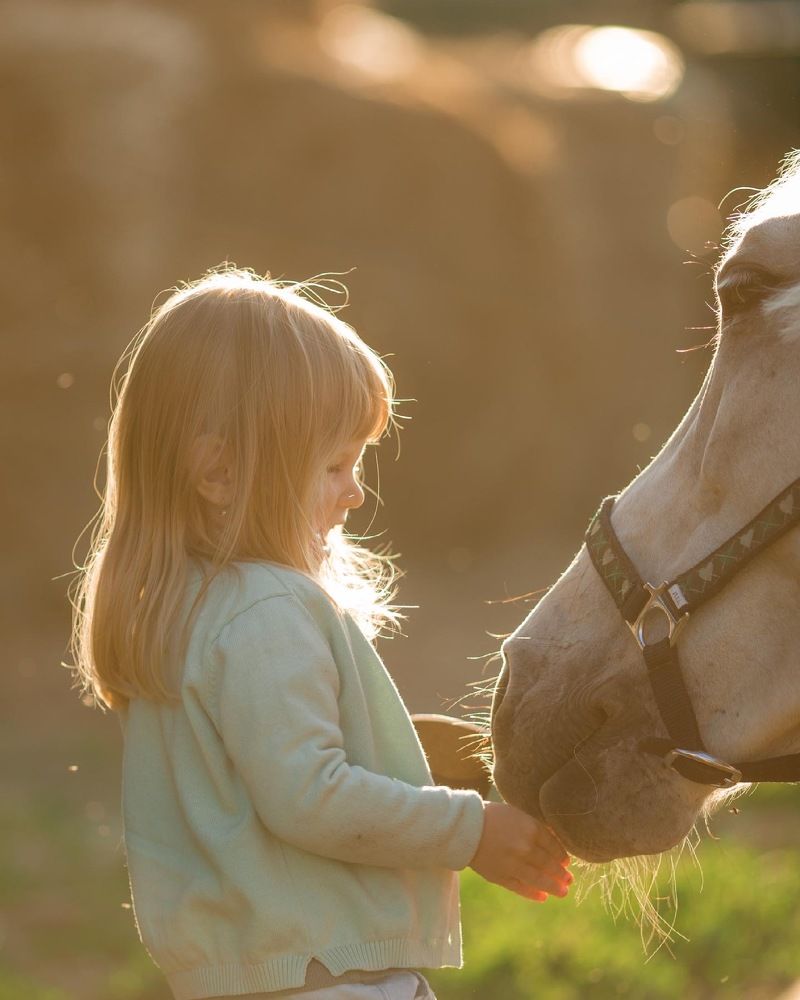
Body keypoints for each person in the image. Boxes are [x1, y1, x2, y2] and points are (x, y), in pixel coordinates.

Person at [70, 267, 572, 1000]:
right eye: (334, 465)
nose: (355, 491)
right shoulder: (264, 609)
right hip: (331, 978)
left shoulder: (184, 614)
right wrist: (470, 831)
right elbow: (310, 796)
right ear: (219, 473)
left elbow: (271, 770)